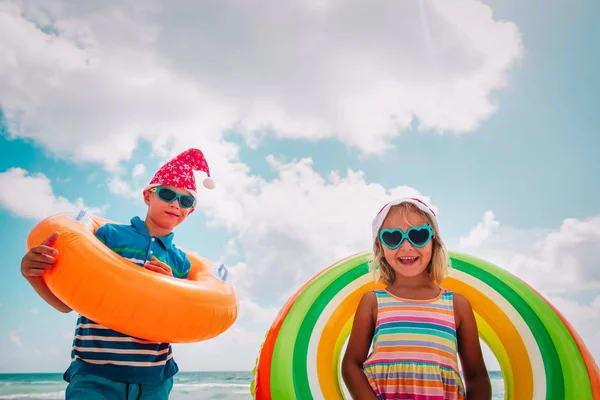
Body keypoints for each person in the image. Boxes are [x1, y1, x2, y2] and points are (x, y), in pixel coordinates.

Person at [20, 148, 216, 400]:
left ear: (191, 211)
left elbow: (178, 322)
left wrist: (170, 286)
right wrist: (32, 275)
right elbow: (67, 304)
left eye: (186, 201)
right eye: (167, 194)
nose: (175, 204)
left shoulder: (181, 264)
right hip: (94, 375)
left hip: (155, 379)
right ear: (148, 195)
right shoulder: (109, 237)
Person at [341, 198, 492, 400]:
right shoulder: (373, 302)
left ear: (433, 241)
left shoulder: (457, 305)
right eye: (393, 238)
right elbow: (351, 365)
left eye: (418, 235)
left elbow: (477, 377)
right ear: (380, 245)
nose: (406, 246)